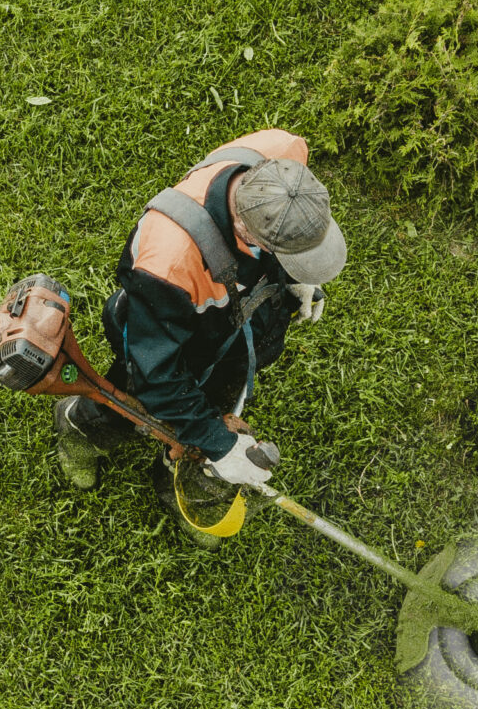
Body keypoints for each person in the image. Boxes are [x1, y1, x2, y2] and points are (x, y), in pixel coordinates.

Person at [54, 129, 347, 546]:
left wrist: (298, 279)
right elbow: (157, 373)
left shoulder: (284, 153)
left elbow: (290, 225)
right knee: (132, 402)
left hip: (235, 324)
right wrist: (221, 444)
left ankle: (177, 466)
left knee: (215, 401)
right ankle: (80, 429)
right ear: (245, 229)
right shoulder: (169, 262)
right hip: (166, 334)